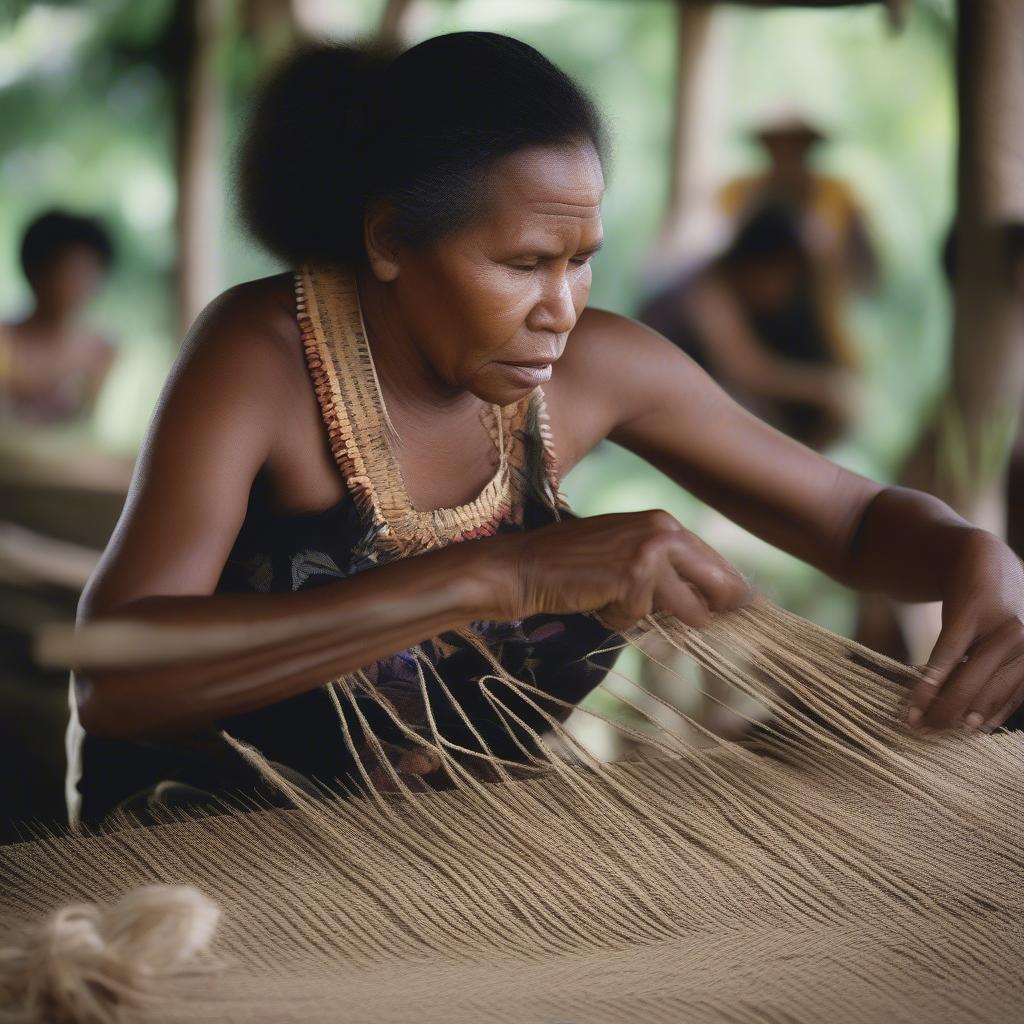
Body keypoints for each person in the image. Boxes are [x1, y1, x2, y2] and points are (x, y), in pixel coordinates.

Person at [67, 33, 1024, 831]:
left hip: (453, 871)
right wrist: (500, 576)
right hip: (196, 865)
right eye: (523, 262)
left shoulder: (597, 370)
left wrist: (972, 556)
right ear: (390, 241)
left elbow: (852, 522)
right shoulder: (265, 356)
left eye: (581, 261)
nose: (560, 308)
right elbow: (115, 677)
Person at [636, 202, 859, 452]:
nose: (784, 291)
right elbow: (747, 373)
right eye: (782, 277)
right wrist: (824, 388)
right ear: (757, 264)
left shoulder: (742, 299)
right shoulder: (708, 291)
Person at [0, 209, 117, 426]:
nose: (80, 285)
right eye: (70, 271)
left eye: (90, 272)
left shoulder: (102, 352)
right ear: (35, 272)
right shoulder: (6, 341)